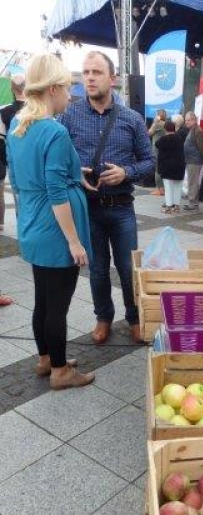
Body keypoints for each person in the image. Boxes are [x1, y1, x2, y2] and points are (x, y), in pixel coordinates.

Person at [6, 53, 94, 391]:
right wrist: (74, 241)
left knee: (43, 299)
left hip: (32, 224)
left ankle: (46, 358)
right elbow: (56, 192)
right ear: (53, 89)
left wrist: (76, 174)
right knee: (57, 305)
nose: (71, 95)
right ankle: (60, 371)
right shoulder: (54, 131)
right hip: (56, 231)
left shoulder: (18, 125)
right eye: (68, 88)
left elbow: (22, 176)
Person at [60, 50, 154, 345]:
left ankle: (135, 318)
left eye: (97, 72)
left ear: (112, 79)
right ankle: (103, 318)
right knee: (98, 269)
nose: (89, 77)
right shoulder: (70, 115)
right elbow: (59, 160)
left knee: (128, 268)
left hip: (122, 208)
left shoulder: (132, 119)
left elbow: (150, 161)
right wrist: (75, 172)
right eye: (86, 72)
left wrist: (126, 172)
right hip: (89, 209)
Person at [0, 73, 26, 229]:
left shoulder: (3, 111)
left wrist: (7, 161)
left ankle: (23, 232)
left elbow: (1, 141)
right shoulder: (38, 109)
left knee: (19, 200)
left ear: (11, 87)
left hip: (15, 163)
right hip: (36, 162)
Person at [155, 120, 185, 214]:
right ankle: (176, 207)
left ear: (165, 129)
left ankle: (168, 207)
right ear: (174, 128)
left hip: (166, 167)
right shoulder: (179, 138)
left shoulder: (163, 139)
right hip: (179, 166)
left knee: (168, 187)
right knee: (178, 187)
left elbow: (156, 144)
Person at [183, 111, 203, 211]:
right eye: (186, 120)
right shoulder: (193, 130)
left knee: (192, 182)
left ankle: (192, 204)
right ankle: (194, 203)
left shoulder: (198, 131)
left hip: (194, 160)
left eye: (189, 120)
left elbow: (202, 147)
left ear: (195, 120)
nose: (187, 122)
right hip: (191, 160)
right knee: (192, 181)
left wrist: (202, 159)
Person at [148, 108, 166, 196]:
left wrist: (155, 122)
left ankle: (160, 189)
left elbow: (149, 133)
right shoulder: (166, 124)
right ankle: (161, 188)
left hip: (157, 150)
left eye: (156, 114)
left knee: (157, 170)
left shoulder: (158, 124)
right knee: (160, 169)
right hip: (163, 149)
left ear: (159, 115)